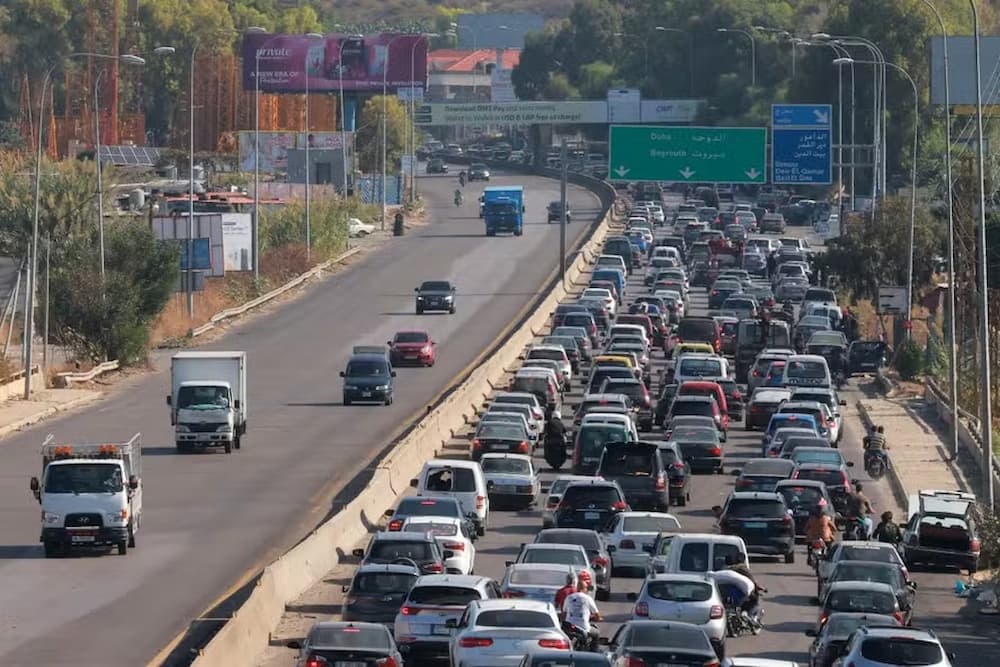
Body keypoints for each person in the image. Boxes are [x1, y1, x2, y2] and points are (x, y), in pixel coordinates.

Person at [562, 576, 602, 649]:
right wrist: (598, 618)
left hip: (570, 627)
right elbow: (597, 614)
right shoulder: (588, 598)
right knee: (596, 633)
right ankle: (594, 653)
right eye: (586, 588)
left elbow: (564, 613)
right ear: (584, 588)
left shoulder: (569, 597)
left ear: (577, 588)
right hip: (584, 627)